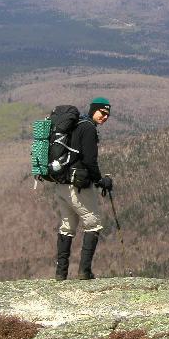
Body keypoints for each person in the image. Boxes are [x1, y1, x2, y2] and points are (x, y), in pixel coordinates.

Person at [54, 97, 113, 281]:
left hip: (61, 184)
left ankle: (60, 274)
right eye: (102, 112)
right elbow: (89, 161)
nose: (104, 117)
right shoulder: (88, 128)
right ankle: (84, 273)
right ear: (93, 110)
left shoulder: (76, 125)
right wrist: (101, 181)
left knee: (67, 227)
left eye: (107, 115)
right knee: (93, 224)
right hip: (78, 186)